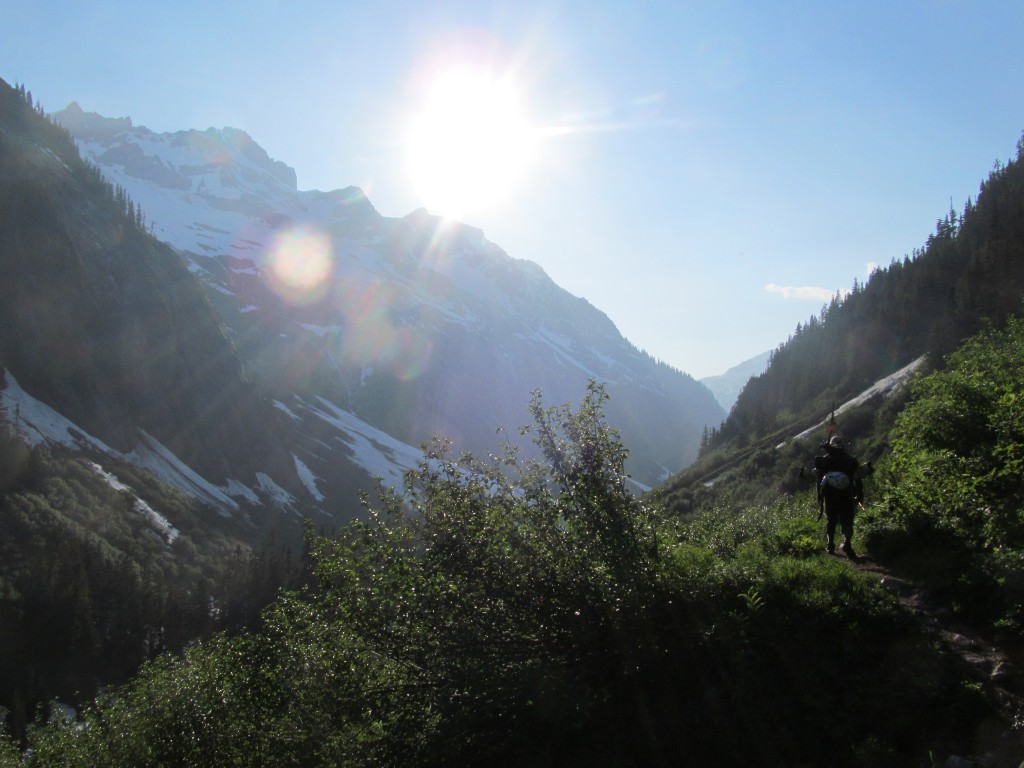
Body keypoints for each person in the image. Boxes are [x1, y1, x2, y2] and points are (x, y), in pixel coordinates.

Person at [814, 434, 862, 558]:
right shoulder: (850, 461)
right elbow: (857, 478)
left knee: (831, 520)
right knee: (847, 519)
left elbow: (819, 480)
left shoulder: (825, 460)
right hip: (846, 495)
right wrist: (859, 495)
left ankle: (830, 545)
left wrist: (819, 498)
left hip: (830, 496)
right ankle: (847, 543)